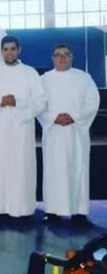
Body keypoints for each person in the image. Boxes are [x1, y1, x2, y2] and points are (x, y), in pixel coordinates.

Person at [0, 36, 46, 218]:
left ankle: (22, 208)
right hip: (0, 126)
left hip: (21, 127)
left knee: (21, 166)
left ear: (19, 50)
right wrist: (0, 101)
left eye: (12, 49)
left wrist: (18, 103)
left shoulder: (30, 73)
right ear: (1, 51)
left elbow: (40, 100)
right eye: (6, 49)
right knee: (1, 165)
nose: (9, 53)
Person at [38, 45, 99, 223]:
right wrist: (53, 118)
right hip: (54, 133)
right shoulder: (44, 80)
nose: (62, 58)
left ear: (72, 57)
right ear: (52, 58)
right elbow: (38, 105)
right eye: (57, 55)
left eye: (66, 55)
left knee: (78, 169)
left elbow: (92, 102)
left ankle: (79, 212)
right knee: (53, 170)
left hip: (76, 134)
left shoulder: (83, 78)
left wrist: (74, 117)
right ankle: (53, 211)